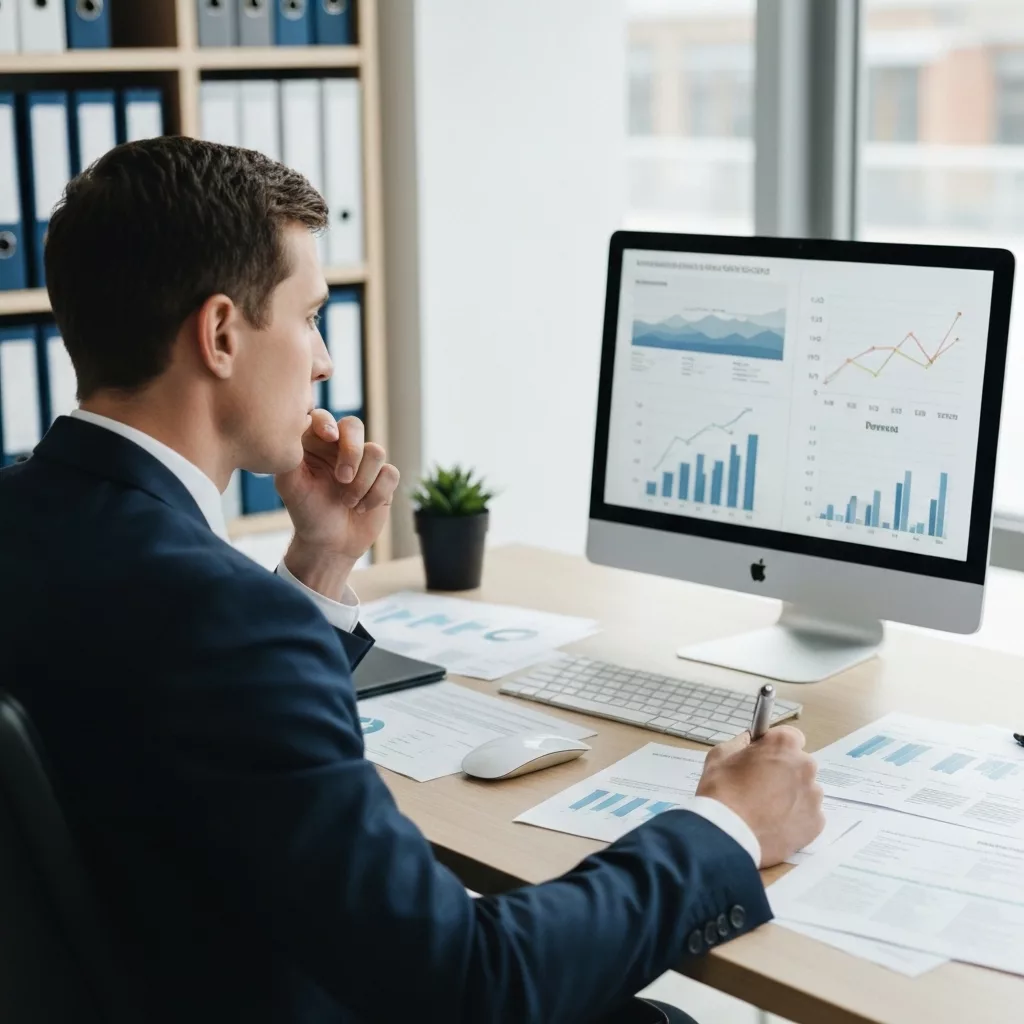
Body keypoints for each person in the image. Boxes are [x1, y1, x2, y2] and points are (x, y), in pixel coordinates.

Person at [0, 137, 825, 1024]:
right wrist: (728, 829)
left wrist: (317, 565)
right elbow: (471, 983)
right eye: (310, 315)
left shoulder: (33, 523)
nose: (321, 361)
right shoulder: (228, 621)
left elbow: (170, 711)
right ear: (222, 334)